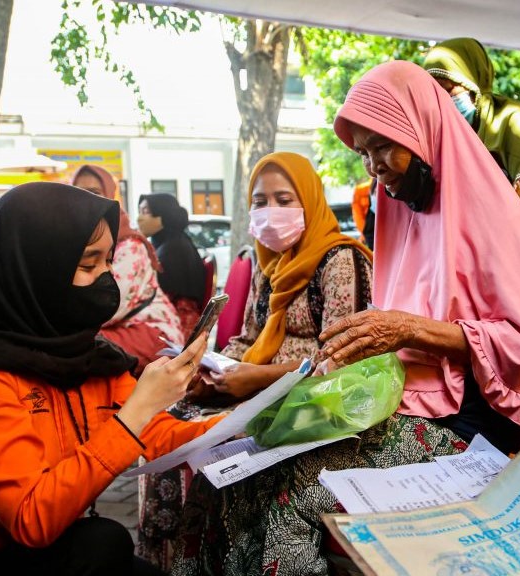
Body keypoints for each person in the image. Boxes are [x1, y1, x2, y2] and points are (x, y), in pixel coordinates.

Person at [173, 61, 520, 576]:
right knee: (227, 476)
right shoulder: (403, 214)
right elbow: (386, 343)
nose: (374, 166)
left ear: (422, 132)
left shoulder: (487, 211)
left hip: (467, 425)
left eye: (384, 145)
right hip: (399, 408)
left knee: (297, 486)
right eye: (364, 153)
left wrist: (408, 330)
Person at [0, 182, 221, 576]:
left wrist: (256, 423)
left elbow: (160, 436)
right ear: (36, 270)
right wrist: (140, 406)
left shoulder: (88, 358)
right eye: (88, 264)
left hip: (53, 549)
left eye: (108, 261)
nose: (108, 277)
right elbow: (33, 519)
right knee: (102, 542)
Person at [138, 152, 374, 570]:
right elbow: (247, 337)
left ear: (310, 199)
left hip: (305, 403)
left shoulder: (341, 261)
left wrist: (256, 380)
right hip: (249, 388)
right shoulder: (271, 265)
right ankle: (169, 562)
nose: (271, 212)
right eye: (260, 202)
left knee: (209, 444)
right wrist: (207, 372)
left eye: (285, 199)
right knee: (165, 421)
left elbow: (341, 361)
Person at [423, 37, 520, 215]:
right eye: (435, 94)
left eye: (449, 90)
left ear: (473, 81)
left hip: (513, 235)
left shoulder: (510, 118)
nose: (443, 101)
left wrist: (507, 232)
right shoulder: (434, 136)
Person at [72, 165, 183, 372]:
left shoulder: (130, 245)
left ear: (109, 196)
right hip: (108, 325)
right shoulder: (75, 238)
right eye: (77, 192)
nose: (85, 199)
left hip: (149, 329)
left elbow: (107, 305)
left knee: (75, 348)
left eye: (94, 193)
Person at [137, 194, 206, 333]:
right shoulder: (169, 243)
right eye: (140, 212)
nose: (139, 218)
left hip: (178, 325)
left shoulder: (174, 249)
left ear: (163, 214)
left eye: (145, 212)